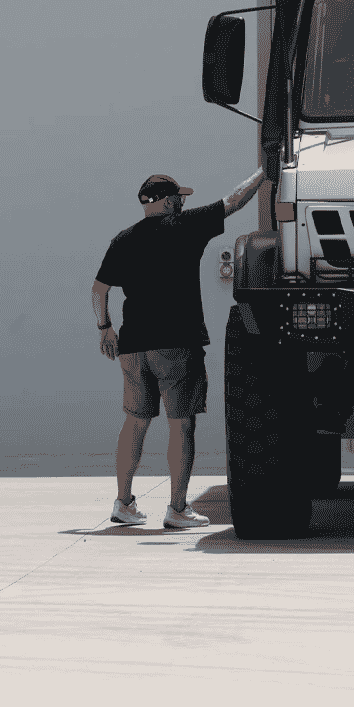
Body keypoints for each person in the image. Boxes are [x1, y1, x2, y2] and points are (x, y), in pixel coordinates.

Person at [92, 168, 266, 528]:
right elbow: (235, 201)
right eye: (179, 197)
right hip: (176, 346)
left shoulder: (122, 239)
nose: (183, 202)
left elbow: (99, 289)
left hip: (133, 347)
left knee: (135, 422)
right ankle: (177, 508)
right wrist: (266, 167)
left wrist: (105, 328)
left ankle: (123, 504)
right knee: (181, 424)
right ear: (168, 201)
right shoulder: (186, 226)